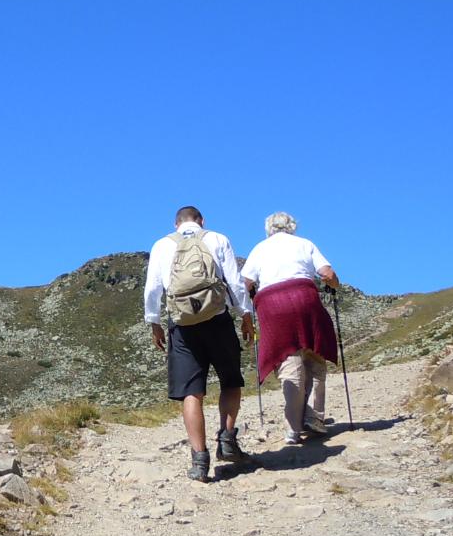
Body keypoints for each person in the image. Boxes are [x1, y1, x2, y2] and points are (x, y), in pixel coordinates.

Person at [143, 206, 256, 481]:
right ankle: (227, 439)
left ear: (176, 223)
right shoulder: (217, 239)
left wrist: (155, 322)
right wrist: (246, 315)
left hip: (182, 326)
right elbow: (235, 282)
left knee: (192, 391)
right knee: (230, 381)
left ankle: (200, 460)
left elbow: (152, 287)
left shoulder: (161, 245)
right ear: (201, 220)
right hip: (217, 319)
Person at [240, 212, 340, 444]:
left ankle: (293, 429)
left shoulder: (259, 249)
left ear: (268, 229)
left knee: (290, 363)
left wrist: (246, 310)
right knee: (315, 357)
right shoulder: (304, 244)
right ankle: (314, 418)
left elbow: (245, 283)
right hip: (305, 299)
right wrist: (334, 284)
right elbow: (327, 273)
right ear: (292, 227)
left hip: (272, 306)